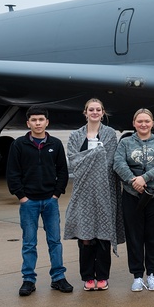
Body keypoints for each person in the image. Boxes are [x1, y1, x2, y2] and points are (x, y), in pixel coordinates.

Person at [7, 106, 72, 296]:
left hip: (50, 201)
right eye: (34, 120)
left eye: (41, 120)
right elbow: (12, 173)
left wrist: (56, 194)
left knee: (55, 241)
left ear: (47, 122)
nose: (37, 123)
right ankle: (28, 280)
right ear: (28, 123)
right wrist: (22, 196)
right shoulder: (19, 145)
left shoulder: (56, 144)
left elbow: (62, 171)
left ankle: (58, 278)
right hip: (29, 203)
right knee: (29, 242)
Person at [63, 98, 125, 292]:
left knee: (103, 235)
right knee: (86, 236)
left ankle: (103, 276)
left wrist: (90, 158)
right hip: (83, 192)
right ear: (85, 112)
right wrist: (97, 154)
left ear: (103, 112)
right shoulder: (75, 135)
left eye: (98, 109)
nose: (95, 112)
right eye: (91, 109)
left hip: (106, 191)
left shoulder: (110, 135)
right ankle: (88, 276)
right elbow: (73, 162)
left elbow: (109, 161)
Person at [114, 108, 154, 292]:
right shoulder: (125, 143)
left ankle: (152, 274)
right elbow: (118, 163)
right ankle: (137, 276)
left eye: (147, 121)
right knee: (135, 238)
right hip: (132, 197)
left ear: (152, 123)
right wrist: (133, 180)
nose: (143, 124)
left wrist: (144, 179)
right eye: (140, 121)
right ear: (134, 123)